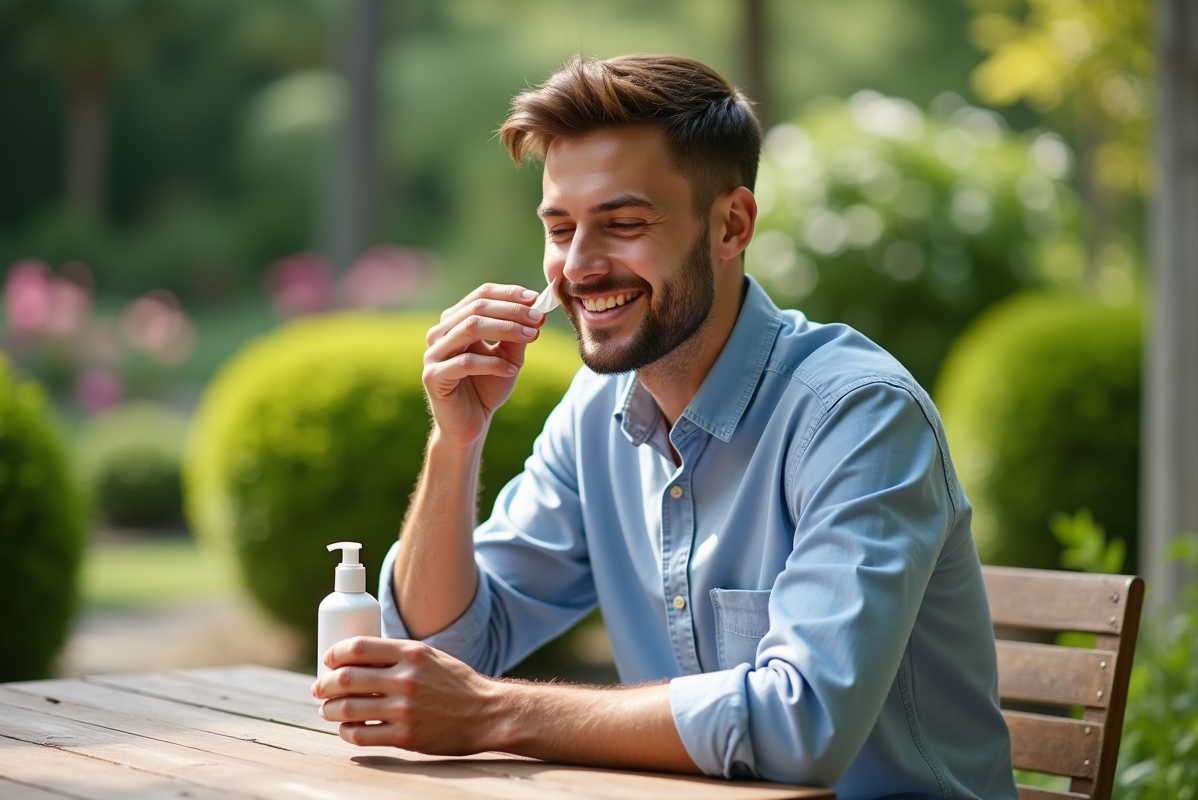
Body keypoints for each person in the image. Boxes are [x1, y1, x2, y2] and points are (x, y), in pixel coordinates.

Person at [311, 54, 1018, 799]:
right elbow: (449, 643)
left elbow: (801, 725)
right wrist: (455, 442)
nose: (579, 267)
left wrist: (495, 714)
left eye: (622, 223)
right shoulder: (594, 414)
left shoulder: (858, 416)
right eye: (560, 229)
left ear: (731, 226)